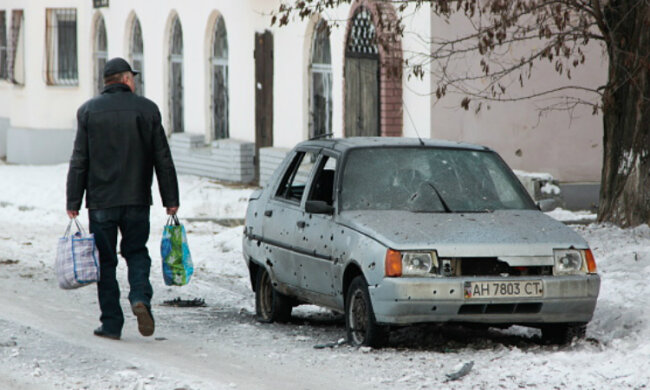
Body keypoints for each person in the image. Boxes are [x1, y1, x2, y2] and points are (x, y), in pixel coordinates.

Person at [66, 57, 179, 340]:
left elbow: (80, 159)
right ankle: (140, 296)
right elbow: (162, 159)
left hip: (101, 202)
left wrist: (73, 201)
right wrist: (171, 198)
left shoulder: (88, 111)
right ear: (126, 79)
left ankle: (112, 323)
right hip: (137, 199)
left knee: (105, 262)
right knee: (137, 252)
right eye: (133, 77)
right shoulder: (147, 109)